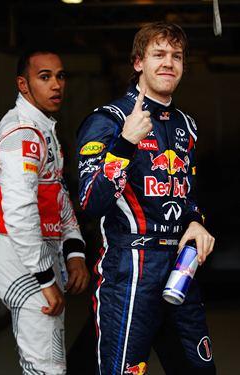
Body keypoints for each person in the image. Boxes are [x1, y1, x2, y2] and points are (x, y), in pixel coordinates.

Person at [77, 21, 216, 375]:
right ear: (138, 62)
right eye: (159, 54)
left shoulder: (187, 124)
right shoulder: (108, 120)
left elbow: (189, 194)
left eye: (177, 56)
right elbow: (91, 202)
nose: (169, 62)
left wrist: (196, 220)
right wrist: (124, 144)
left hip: (181, 270)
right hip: (130, 272)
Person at [0, 49, 90, 374]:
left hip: (40, 255)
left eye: (60, 76)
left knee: (49, 364)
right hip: (21, 258)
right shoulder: (22, 134)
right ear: (23, 84)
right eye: (44, 77)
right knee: (46, 367)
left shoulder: (43, 128)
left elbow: (57, 195)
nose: (56, 85)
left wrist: (74, 251)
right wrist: (45, 277)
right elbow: (19, 214)